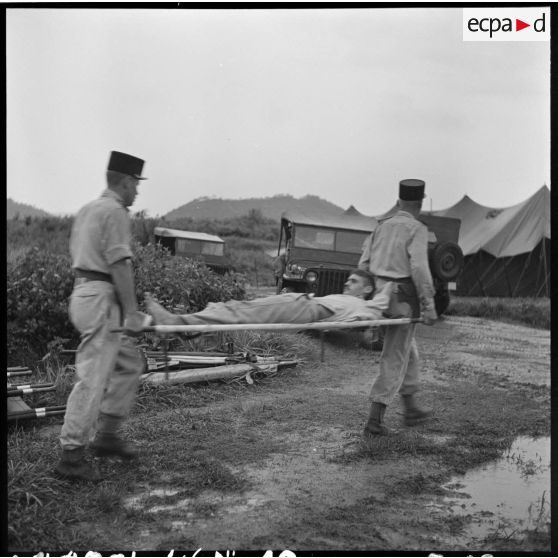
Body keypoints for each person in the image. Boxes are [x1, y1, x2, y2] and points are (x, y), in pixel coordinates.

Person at [54, 150, 152, 482]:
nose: (137, 192)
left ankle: (107, 435)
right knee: (93, 376)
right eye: (136, 185)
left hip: (84, 292)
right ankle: (71, 455)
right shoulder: (115, 211)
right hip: (101, 298)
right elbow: (119, 264)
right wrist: (133, 312)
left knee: (127, 363)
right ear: (125, 182)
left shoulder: (88, 209)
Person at [358, 178, 438, 437]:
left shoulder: (381, 226)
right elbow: (419, 269)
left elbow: (364, 263)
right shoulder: (417, 228)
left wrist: (374, 294)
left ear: (399, 201)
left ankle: (411, 407)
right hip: (403, 300)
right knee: (395, 354)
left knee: (408, 350)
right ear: (420, 203)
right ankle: (375, 419)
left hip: (380, 297)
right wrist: (428, 306)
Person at [144, 269, 394, 328]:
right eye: (348, 280)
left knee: (240, 311)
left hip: (306, 307)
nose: (347, 283)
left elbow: (376, 309)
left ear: (367, 289)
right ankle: (185, 322)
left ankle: (179, 323)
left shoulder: (366, 306)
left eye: (354, 282)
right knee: (238, 308)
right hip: (302, 303)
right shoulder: (352, 299)